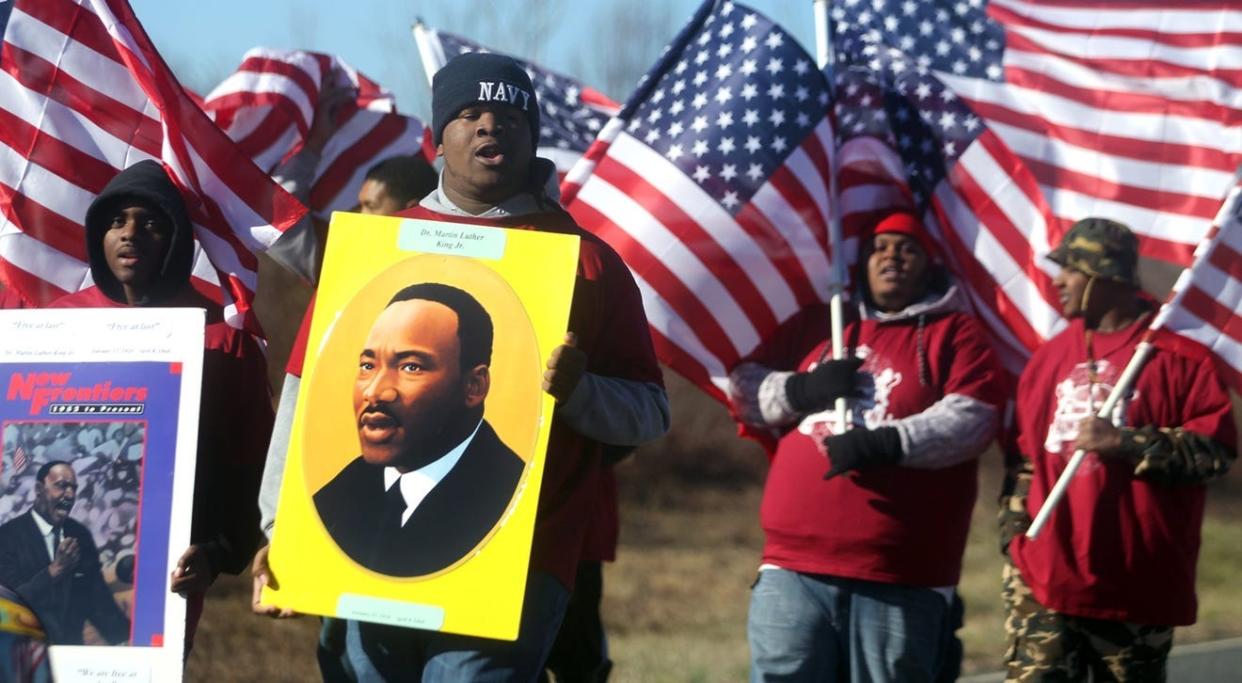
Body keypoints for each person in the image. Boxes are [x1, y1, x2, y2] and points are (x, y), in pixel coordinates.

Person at [255, 52, 669, 682]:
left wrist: (579, 391)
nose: (488, 128)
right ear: (439, 137)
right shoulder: (374, 248)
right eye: (469, 114)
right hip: (364, 558)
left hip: (516, 567)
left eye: (507, 116)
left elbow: (650, 413)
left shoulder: (586, 261)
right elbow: (303, 390)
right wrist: (280, 527)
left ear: (531, 138)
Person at [729, 212, 1004, 682]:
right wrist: (801, 391)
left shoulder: (955, 334)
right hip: (792, 566)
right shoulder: (821, 323)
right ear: (862, 261)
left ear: (929, 263)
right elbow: (741, 389)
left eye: (907, 248)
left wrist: (887, 442)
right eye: (880, 247)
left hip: (900, 573)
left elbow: (973, 419)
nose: (892, 256)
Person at [47, 159, 274, 645]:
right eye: (116, 221)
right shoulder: (54, 328)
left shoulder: (220, 338)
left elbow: (250, 464)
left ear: (178, 241)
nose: (130, 233)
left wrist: (215, 553)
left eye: (151, 223)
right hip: (45, 573)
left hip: (161, 574)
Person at [1000, 218, 1236, 682]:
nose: (1058, 282)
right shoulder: (1050, 357)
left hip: (1135, 586)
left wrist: (1124, 442)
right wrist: (1015, 541)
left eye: (1070, 270)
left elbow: (1215, 453)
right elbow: (1023, 460)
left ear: (1104, 274)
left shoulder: (1176, 356)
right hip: (1045, 580)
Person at [313, 283, 524, 577]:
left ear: (474, 386)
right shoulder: (334, 499)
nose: (375, 392)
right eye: (367, 365)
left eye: (411, 367)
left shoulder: (514, 498)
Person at [0, 461, 130, 645]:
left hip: (70, 656)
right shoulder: (7, 537)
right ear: (39, 489)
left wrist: (126, 640)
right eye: (61, 486)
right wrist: (54, 571)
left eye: (73, 488)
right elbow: (10, 606)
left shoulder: (79, 534)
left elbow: (98, 599)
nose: (70, 494)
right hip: (25, 658)